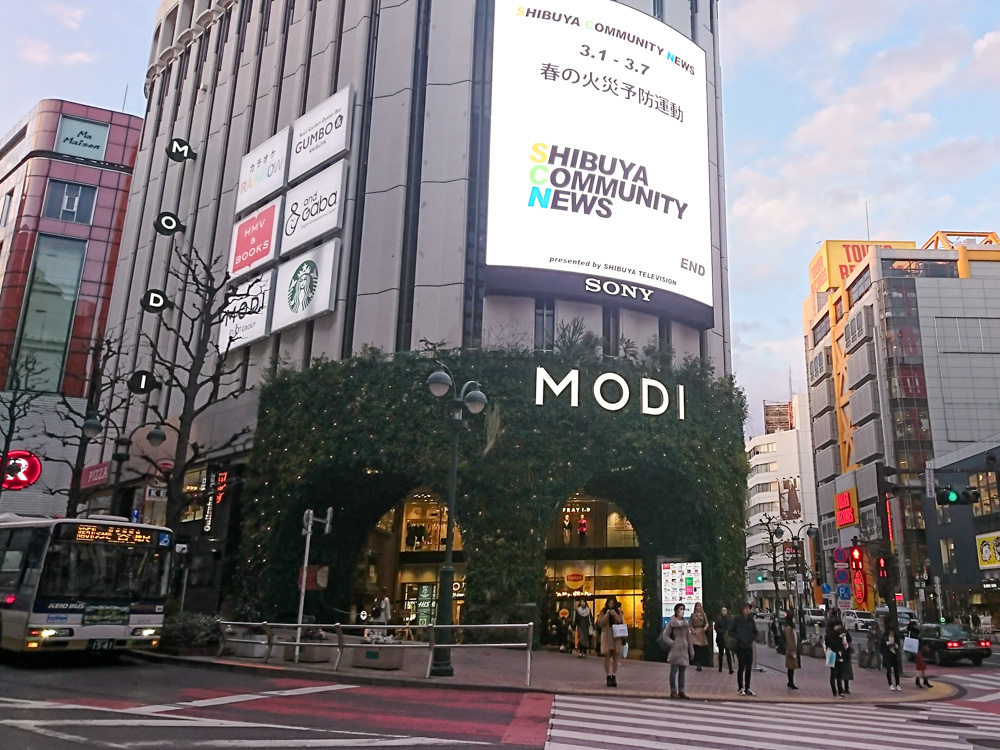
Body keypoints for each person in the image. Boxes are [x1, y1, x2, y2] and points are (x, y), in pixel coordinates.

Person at [662, 603, 695, 699]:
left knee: (682, 671)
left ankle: (681, 690)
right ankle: (673, 690)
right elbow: (665, 635)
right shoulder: (672, 623)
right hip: (675, 649)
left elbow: (688, 638)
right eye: (681, 609)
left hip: (684, 649)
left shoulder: (685, 623)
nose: (682, 611)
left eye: (683, 609)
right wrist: (672, 643)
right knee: (673, 671)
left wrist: (691, 651)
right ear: (676, 611)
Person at [728, 602, 758, 696]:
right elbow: (730, 631)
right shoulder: (737, 619)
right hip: (740, 646)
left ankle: (747, 687)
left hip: (749, 646)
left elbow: (755, 632)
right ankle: (740, 687)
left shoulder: (751, 620)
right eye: (746, 608)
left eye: (749, 609)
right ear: (742, 609)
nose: (748, 610)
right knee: (741, 667)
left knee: (748, 668)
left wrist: (751, 638)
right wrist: (739, 637)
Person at [597, 596, 624, 687]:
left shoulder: (618, 611)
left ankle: (614, 676)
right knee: (607, 654)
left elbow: (621, 621)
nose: (611, 605)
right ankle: (608, 675)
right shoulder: (603, 611)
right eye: (610, 603)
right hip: (607, 634)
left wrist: (615, 615)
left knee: (616, 655)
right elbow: (600, 623)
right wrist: (607, 615)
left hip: (616, 634)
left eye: (613, 603)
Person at [825, 620, 847, 698]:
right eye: (837, 625)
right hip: (832, 654)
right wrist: (839, 638)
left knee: (839, 675)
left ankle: (840, 691)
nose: (839, 626)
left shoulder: (839, 633)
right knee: (834, 674)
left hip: (839, 654)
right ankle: (835, 691)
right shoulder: (829, 635)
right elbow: (832, 645)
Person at [689, 602, 709, 672]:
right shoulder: (693, 615)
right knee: (696, 648)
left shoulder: (703, 614)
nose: (699, 607)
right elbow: (690, 625)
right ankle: (698, 664)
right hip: (695, 632)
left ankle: (701, 662)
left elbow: (706, 623)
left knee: (702, 649)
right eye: (697, 606)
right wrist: (693, 631)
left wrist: (705, 627)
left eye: (700, 606)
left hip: (702, 632)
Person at [883, 619, 903, 691]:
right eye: (891, 632)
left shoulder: (896, 637)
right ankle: (890, 684)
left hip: (894, 654)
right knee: (888, 670)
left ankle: (897, 684)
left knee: (896, 670)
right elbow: (883, 644)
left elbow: (898, 645)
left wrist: (895, 646)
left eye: (893, 633)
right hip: (888, 654)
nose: (892, 634)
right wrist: (887, 644)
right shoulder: (885, 636)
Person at [715, 607, 734, 674]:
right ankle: (720, 667)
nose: (724, 611)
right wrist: (722, 632)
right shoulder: (719, 618)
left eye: (725, 610)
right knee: (721, 653)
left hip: (727, 639)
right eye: (723, 610)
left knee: (728, 653)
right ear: (721, 611)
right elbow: (716, 628)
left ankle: (730, 669)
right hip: (720, 638)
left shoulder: (729, 618)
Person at [784, 611, 799, 689]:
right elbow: (789, 640)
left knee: (791, 667)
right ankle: (790, 682)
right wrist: (792, 650)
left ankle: (790, 682)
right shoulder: (788, 628)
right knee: (791, 667)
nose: (795, 619)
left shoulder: (791, 628)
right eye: (794, 618)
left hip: (792, 650)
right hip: (791, 651)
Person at [840, 626, 854, 695]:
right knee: (845, 672)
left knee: (842, 672)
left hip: (843, 654)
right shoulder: (843, 632)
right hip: (845, 654)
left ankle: (845, 688)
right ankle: (845, 688)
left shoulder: (843, 632)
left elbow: (849, 640)